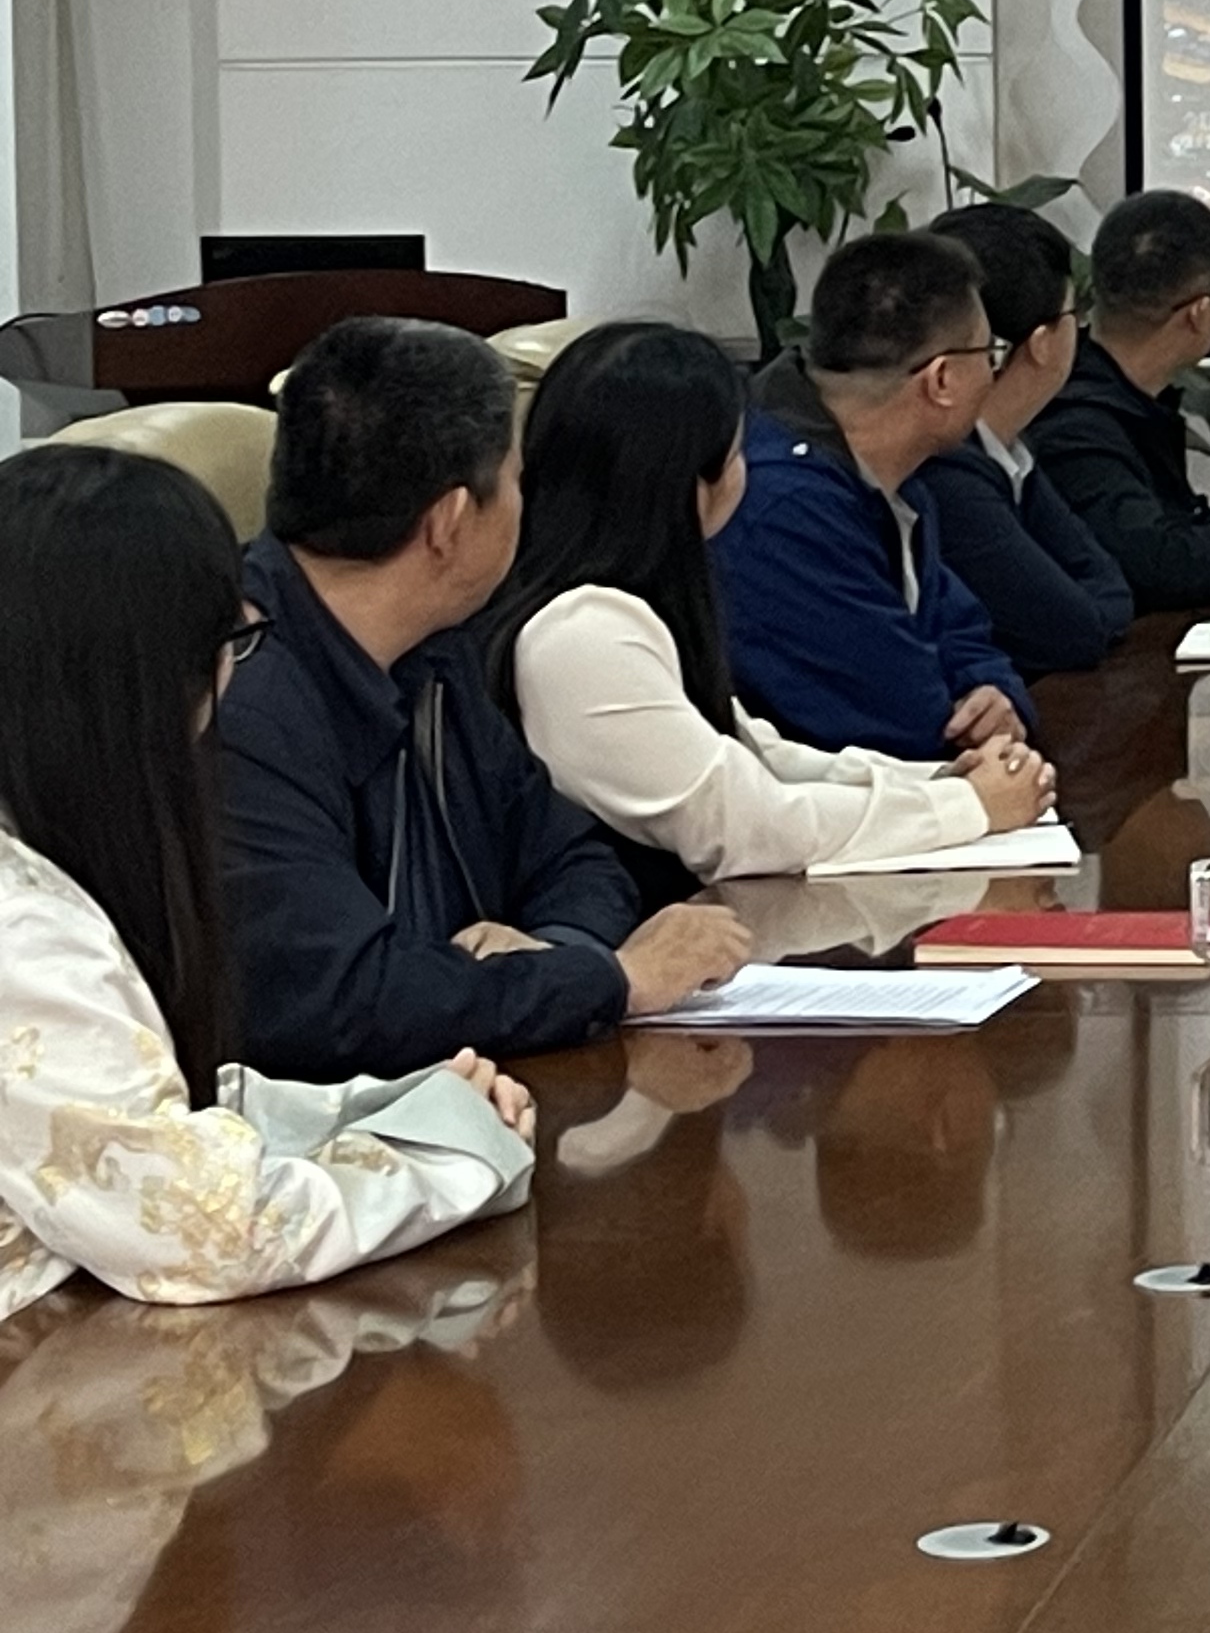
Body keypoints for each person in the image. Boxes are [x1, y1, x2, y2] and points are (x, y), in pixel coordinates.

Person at [0, 445, 539, 1318]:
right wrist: (456, 1151)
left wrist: (389, 1110)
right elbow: (205, 1232)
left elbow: (137, 1110)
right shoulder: (23, 934)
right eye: (231, 641)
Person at [219, 319, 748, 1082]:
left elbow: (576, 860)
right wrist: (611, 980)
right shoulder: (239, 695)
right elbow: (341, 1002)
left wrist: (551, 952)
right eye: (517, 481)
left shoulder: (432, 650)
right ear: (451, 523)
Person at [487, 321, 1055, 907]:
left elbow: (763, 758)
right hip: (640, 937)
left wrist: (944, 781)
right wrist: (965, 808)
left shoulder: (632, 605)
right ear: (692, 482)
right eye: (737, 450)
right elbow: (741, 826)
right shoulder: (584, 634)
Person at [711, 234, 1039, 764]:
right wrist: (968, 719)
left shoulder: (890, 474)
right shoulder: (781, 508)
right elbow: (899, 720)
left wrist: (995, 694)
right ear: (942, 379)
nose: (992, 373)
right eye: (989, 354)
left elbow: (960, 628)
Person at [1031, 188, 1210, 611]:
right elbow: (1153, 563)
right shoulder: (1073, 425)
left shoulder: (1127, 398)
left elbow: (1176, 524)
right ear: (1199, 312)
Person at [911, 203, 1129, 677]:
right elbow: (1075, 632)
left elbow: (1108, 582)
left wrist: (1094, 612)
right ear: (1043, 341)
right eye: (1074, 313)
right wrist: (1094, 613)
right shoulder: (944, 471)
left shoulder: (1008, 448)